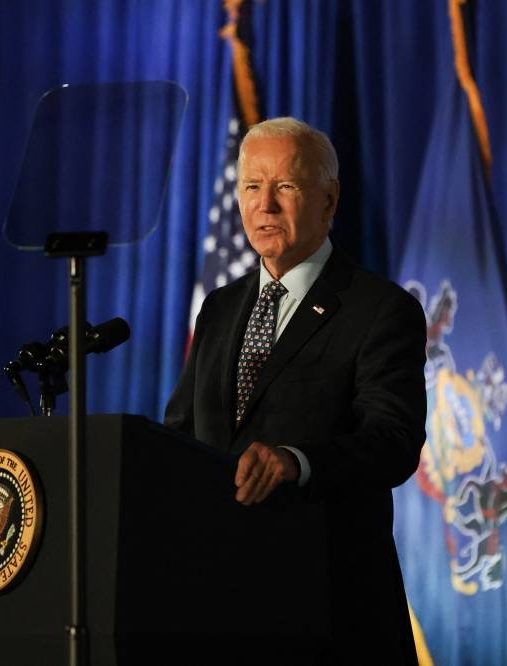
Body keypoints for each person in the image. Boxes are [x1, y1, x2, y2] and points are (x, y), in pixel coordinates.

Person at [164, 116, 427, 663]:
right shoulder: (218, 309)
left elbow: (393, 440)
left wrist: (296, 461)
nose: (266, 205)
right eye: (253, 188)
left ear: (328, 202)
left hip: (333, 608)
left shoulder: (380, 310)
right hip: (220, 606)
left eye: (286, 186)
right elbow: (180, 440)